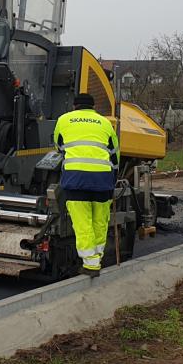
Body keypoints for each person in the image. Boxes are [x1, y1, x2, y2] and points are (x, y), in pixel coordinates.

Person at [53, 93, 119, 277]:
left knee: (83, 224)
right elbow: (115, 154)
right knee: (100, 222)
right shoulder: (105, 123)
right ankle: (96, 259)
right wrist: (113, 178)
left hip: (76, 180)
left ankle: (91, 264)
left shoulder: (64, 120)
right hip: (103, 180)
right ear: (93, 107)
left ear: (74, 106)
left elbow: (58, 147)